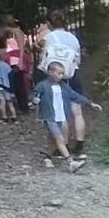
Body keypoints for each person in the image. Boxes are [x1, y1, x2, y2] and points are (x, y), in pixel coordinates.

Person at [32, 61, 100, 171]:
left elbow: (75, 96)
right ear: (50, 72)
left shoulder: (64, 86)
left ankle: (47, 158)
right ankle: (71, 162)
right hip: (49, 117)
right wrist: (34, 100)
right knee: (59, 138)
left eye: (62, 74)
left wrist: (90, 103)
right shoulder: (42, 85)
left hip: (62, 117)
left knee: (55, 139)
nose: (61, 76)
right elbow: (34, 95)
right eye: (59, 73)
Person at [39, 10, 88, 154]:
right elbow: (77, 60)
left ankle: (63, 145)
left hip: (56, 77)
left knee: (61, 112)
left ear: (49, 23)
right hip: (73, 74)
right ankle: (79, 143)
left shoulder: (49, 37)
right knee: (77, 112)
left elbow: (44, 59)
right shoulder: (73, 38)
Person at [0, 14, 31, 113]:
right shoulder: (9, 34)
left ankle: (23, 106)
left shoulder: (17, 32)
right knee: (15, 82)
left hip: (17, 60)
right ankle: (20, 105)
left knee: (19, 83)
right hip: (11, 60)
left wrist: (20, 61)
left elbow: (21, 47)